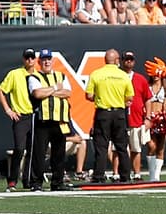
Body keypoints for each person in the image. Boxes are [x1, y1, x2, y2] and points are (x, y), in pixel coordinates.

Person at [27, 49, 75, 192]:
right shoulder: (34, 77)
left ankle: (57, 182)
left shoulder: (61, 76)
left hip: (60, 119)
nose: (47, 62)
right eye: (44, 59)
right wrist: (54, 88)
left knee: (59, 153)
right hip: (43, 120)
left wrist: (48, 91)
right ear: (39, 61)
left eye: (49, 59)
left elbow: (68, 92)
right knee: (39, 153)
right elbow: (37, 93)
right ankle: (36, 183)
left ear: (52, 60)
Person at [85, 48, 133, 184]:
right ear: (117, 60)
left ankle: (99, 176)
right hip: (119, 113)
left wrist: (100, 97)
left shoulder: (96, 74)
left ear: (105, 60)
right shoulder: (123, 75)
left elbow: (88, 95)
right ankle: (125, 176)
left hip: (103, 112)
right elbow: (129, 97)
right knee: (122, 146)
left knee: (101, 146)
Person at [0, 48, 37, 192]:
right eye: (27, 58)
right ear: (23, 59)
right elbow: (1, 90)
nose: (30, 60)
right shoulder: (15, 74)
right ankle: (12, 180)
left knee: (34, 150)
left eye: (32, 58)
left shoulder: (39, 75)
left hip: (36, 116)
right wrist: (8, 110)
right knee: (19, 149)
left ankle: (29, 180)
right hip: (21, 116)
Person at [121, 52, 152, 180]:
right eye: (126, 59)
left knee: (136, 148)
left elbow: (148, 99)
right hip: (120, 119)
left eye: (131, 60)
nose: (129, 62)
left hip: (136, 119)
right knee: (119, 149)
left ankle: (137, 173)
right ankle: (120, 173)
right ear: (122, 61)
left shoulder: (140, 79)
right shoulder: (118, 77)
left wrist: (148, 117)